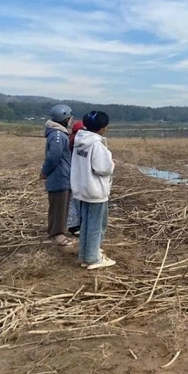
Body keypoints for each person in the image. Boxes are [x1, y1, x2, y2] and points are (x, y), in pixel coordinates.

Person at [71, 110, 116, 270]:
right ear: (102, 127)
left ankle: (85, 254)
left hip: (82, 188)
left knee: (86, 224)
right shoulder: (96, 144)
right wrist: (111, 163)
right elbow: (103, 168)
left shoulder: (79, 140)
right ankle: (93, 258)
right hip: (95, 191)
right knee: (97, 224)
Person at [40, 104, 74, 247]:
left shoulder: (59, 133)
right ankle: (57, 234)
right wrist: (45, 171)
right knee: (59, 205)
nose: (71, 120)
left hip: (62, 175)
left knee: (61, 204)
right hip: (59, 175)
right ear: (65, 118)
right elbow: (54, 156)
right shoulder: (58, 135)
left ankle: (57, 230)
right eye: (69, 117)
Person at [67, 120, 85, 236]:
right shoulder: (80, 142)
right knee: (77, 201)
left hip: (70, 173)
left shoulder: (70, 140)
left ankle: (74, 225)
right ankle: (76, 226)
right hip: (77, 174)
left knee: (73, 201)